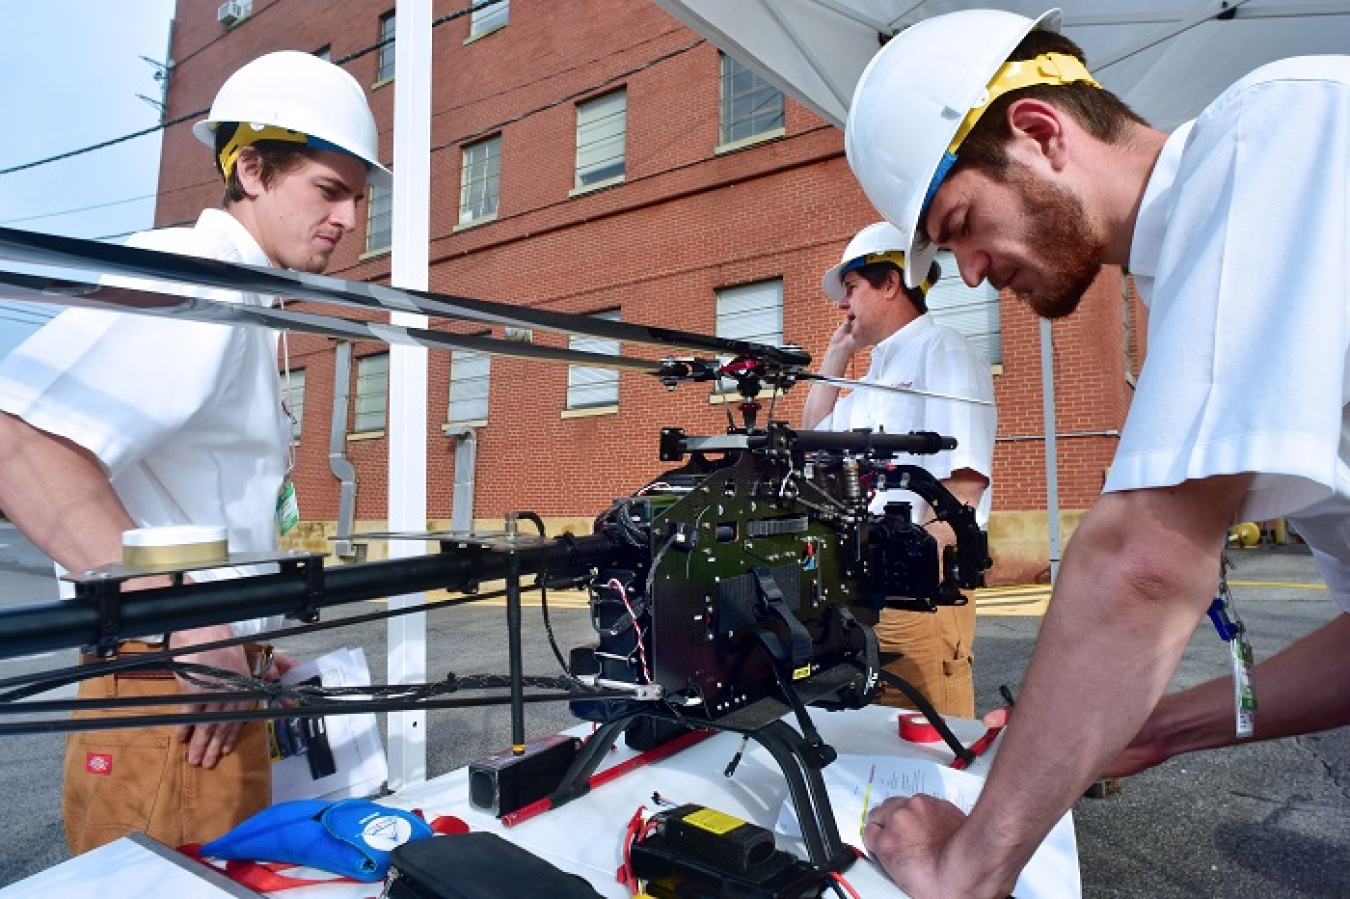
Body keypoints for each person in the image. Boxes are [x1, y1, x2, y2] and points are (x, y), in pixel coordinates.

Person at [843, 8, 1350, 897]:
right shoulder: (1199, 262)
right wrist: (1153, 730)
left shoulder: (1275, 133)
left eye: (962, 223)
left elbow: (1144, 564)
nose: (968, 273)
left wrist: (967, 864)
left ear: (1039, 132)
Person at [0, 50, 390, 855]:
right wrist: (183, 619)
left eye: (360, 196)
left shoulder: (246, 297)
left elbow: (190, 500)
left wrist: (240, 631)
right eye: (330, 189)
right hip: (167, 698)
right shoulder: (202, 278)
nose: (352, 217)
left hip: (208, 681)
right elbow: (14, 434)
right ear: (251, 169)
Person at [802, 222, 995, 718]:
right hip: (867, 591)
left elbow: (963, 485)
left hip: (919, 594)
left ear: (890, 283)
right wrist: (835, 356)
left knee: (930, 738)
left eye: (851, 289)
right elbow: (814, 438)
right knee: (876, 742)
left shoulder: (943, 350)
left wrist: (918, 577)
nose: (843, 305)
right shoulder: (871, 378)